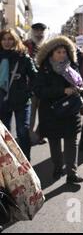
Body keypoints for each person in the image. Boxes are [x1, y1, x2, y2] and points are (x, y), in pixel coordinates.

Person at [33, 36, 83, 184]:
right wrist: (63, 90)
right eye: (58, 52)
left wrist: (81, 89)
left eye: (64, 52)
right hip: (51, 114)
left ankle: (72, 174)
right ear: (51, 54)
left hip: (71, 112)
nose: (62, 55)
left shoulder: (72, 68)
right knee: (54, 143)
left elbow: (82, 86)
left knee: (72, 142)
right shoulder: (44, 70)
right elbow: (39, 91)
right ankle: (57, 167)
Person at [0, 29, 38, 160]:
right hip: (2, 100)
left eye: (10, 39)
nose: (7, 42)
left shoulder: (23, 57)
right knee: (5, 134)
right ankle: (9, 163)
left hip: (21, 101)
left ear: (15, 40)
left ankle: (26, 161)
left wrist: (28, 93)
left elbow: (35, 77)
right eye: (4, 39)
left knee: (22, 132)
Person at [24, 23, 48, 146]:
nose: (39, 34)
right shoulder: (26, 45)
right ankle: (28, 137)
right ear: (32, 32)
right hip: (31, 86)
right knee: (31, 113)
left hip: (45, 86)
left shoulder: (47, 46)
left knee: (44, 113)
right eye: (37, 31)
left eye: (41, 32)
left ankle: (39, 135)